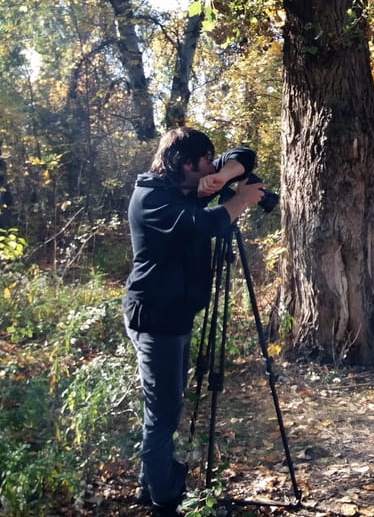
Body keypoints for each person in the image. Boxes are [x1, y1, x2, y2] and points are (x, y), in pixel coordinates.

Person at [122, 127, 266, 512]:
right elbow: (204, 226)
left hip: (175, 316)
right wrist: (238, 201)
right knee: (163, 412)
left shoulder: (188, 184)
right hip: (156, 318)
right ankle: (164, 501)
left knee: (167, 405)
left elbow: (245, 153)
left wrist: (223, 176)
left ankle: (152, 481)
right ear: (186, 164)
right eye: (206, 161)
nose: (210, 165)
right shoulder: (152, 198)